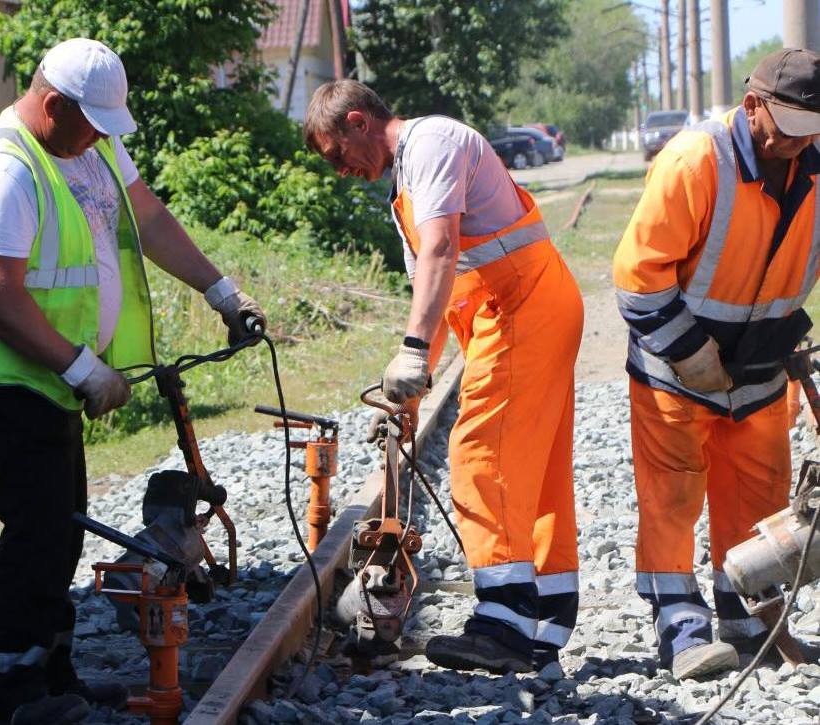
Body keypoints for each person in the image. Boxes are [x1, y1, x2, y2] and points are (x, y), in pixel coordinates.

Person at [0, 38, 265, 724]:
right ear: (52, 104)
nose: (98, 138)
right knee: (37, 531)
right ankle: (11, 698)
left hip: (52, 375)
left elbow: (147, 216)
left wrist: (220, 290)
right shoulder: (4, 170)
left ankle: (52, 677)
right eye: (89, 124)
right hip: (7, 378)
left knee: (61, 530)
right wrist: (82, 366)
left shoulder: (88, 143)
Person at [304, 80, 584, 674]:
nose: (341, 170)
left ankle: (504, 625)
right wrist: (412, 386)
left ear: (357, 122)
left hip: (521, 308)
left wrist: (411, 353)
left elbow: (440, 252)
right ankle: (545, 618)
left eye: (337, 154)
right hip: (527, 307)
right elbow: (434, 297)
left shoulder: (431, 144)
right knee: (536, 468)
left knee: (483, 452)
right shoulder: (407, 183)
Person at [613, 48, 820, 681]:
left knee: (759, 497)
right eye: (789, 129)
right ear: (753, 106)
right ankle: (680, 627)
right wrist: (690, 352)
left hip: (761, 371)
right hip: (676, 371)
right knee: (672, 498)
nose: (798, 144)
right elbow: (638, 278)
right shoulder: (695, 161)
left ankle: (749, 619)